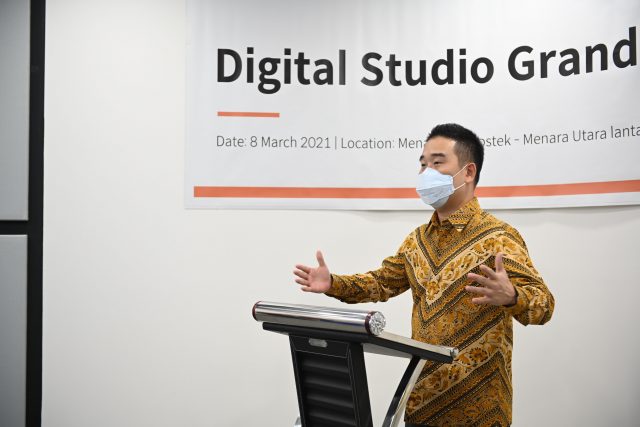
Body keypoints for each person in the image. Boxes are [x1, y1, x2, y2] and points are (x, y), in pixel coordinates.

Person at [293, 123, 555, 427]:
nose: (426, 172)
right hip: (422, 404)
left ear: (468, 172)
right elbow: (381, 283)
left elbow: (544, 305)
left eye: (437, 162)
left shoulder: (499, 238)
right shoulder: (417, 240)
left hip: (480, 408)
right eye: (423, 164)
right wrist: (333, 283)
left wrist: (512, 297)